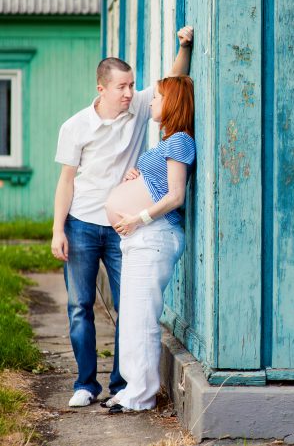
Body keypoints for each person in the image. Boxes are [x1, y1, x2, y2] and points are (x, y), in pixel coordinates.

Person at [51, 26, 194, 407]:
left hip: (123, 228)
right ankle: (85, 384)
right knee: (80, 305)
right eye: (122, 87)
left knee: (126, 305)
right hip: (81, 222)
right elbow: (66, 181)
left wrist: (184, 46)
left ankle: (121, 384)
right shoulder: (75, 126)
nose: (131, 92)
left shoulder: (138, 109)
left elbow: (175, 82)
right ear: (102, 88)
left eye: (132, 85)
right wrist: (57, 230)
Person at [101, 75, 195, 413]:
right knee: (131, 316)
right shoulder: (167, 141)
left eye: (157, 98)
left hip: (155, 236)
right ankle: (131, 389)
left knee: (142, 318)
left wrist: (138, 217)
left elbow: (175, 195)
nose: (151, 103)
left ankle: (142, 395)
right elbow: (157, 182)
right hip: (139, 239)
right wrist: (137, 176)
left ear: (172, 102)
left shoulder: (180, 140)